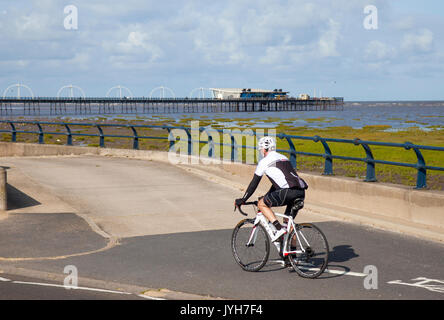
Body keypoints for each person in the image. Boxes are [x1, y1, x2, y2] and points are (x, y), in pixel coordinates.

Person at [235, 136, 308, 242]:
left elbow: (254, 183)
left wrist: (243, 199)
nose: (261, 151)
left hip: (287, 192)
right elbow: (278, 182)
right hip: (300, 192)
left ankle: (278, 229)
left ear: (264, 149)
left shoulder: (264, 162)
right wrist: (266, 196)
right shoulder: (284, 157)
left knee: (261, 204)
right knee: (288, 224)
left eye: (261, 149)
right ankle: (292, 257)